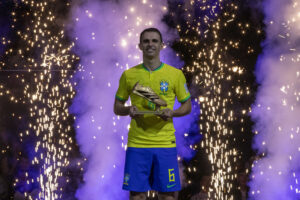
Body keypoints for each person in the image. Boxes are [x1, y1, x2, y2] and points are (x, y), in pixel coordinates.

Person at [114, 27, 192, 200]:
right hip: (137, 143)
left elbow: (187, 105)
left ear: (162, 45)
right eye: (146, 41)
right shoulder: (129, 75)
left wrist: (172, 113)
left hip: (165, 143)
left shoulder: (175, 74)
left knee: (167, 196)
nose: (150, 44)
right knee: (137, 196)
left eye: (154, 41)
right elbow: (117, 107)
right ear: (140, 46)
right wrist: (128, 110)